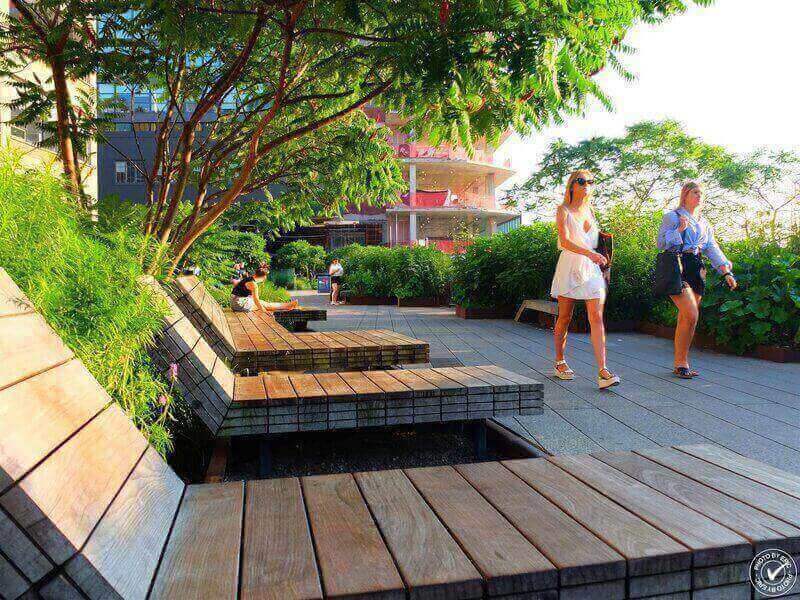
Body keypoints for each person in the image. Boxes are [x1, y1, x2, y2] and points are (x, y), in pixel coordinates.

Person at [657, 181, 738, 378]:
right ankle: (681, 363)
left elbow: (711, 248)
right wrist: (678, 230)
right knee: (691, 314)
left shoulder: (704, 222)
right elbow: (661, 243)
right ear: (685, 195)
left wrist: (726, 272)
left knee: (687, 318)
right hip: (677, 265)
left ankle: (680, 363)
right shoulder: (672, 216)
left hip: (696, 267)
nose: (699, 196)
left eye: (701, 193)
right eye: (695, 192)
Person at [550, 170, 620, 390]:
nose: (586, 185)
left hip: (591, 268)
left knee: (596, 317)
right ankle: (560, 361)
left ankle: (603, 371)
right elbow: (564, 241)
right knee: (565, 317)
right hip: (570, 266)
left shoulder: (590, 210)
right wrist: (590, 254)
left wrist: (602, 262)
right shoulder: (563, 210)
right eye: (581, 181)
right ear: (572, 185)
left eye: (590, 181)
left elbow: (596, 243)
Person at [230, 266, 300, 312]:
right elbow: (256, 300)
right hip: (238, 304)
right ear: (264, 277)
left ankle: (287, 306)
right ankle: (287, 306)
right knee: (264, 304)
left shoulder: (248, 279)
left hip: (236, 302)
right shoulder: (253, 284)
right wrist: (263, 311)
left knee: (263, 303)